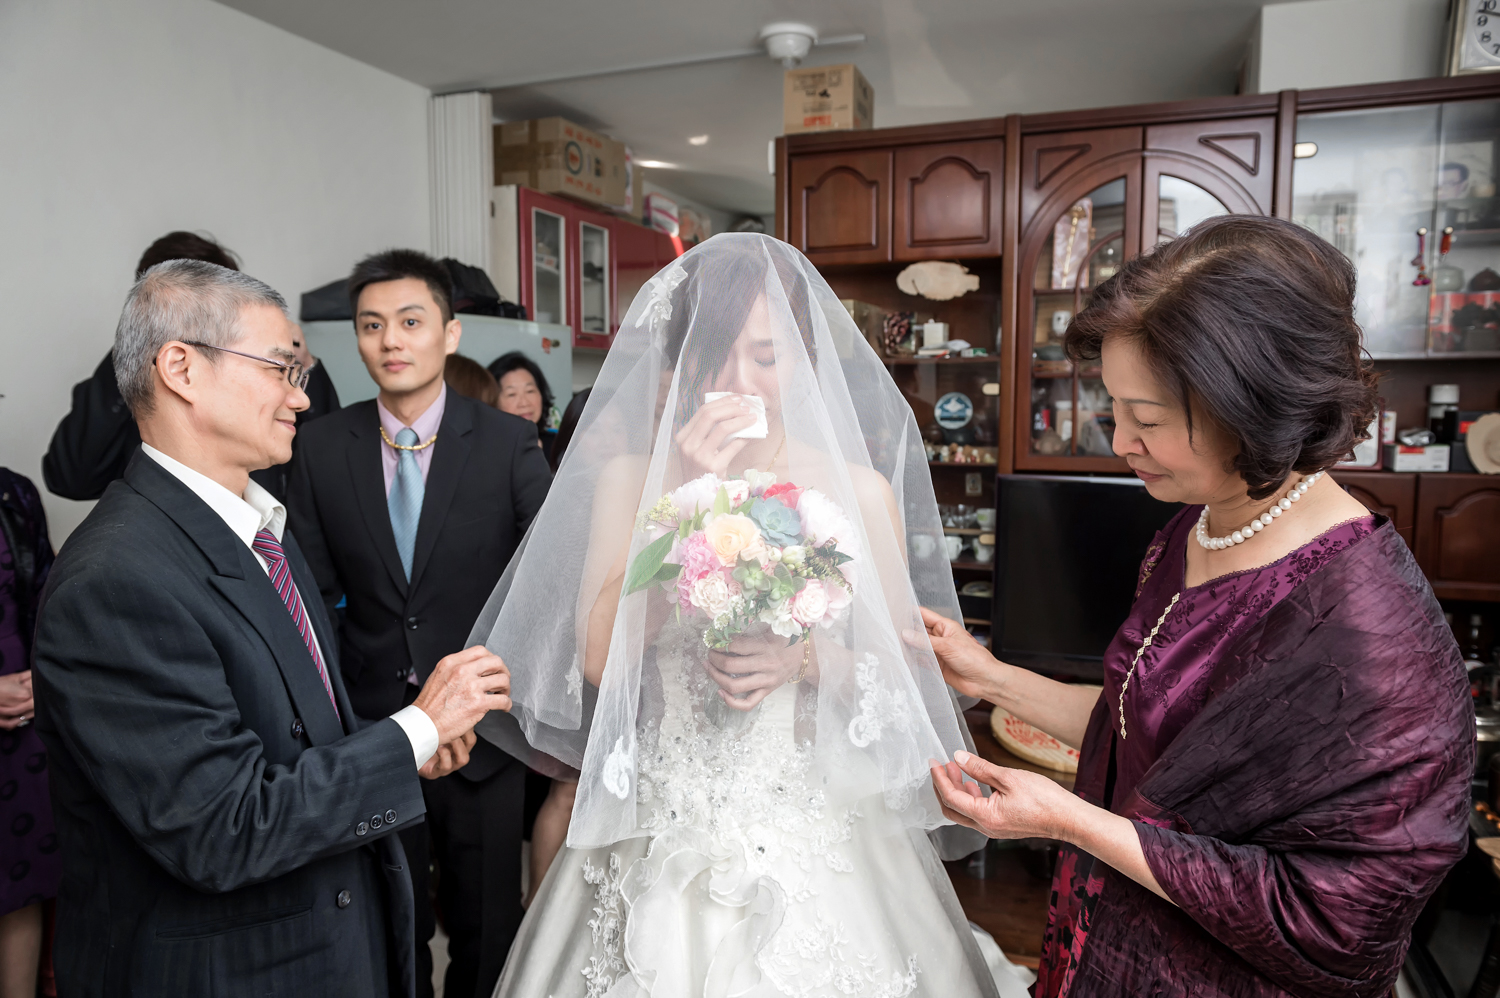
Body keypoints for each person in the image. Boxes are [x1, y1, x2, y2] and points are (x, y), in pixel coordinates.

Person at [921, 215, 1472, 997]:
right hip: (1106, 939)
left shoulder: (1365, 632)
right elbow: (1146, 733)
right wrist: (985, 674)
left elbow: (1340, 925)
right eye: (1115, 409)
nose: (1120, 442)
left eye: (1145, 419)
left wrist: (1068, 820)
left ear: (1253, 407)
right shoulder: (1201, 523)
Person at [471, 233, 1034, 998]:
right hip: (664, 807)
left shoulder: (858, 491)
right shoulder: (631, 480)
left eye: (766, 357)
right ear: (680, 362)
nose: (739, 382)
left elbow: (898, 676)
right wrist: (689, 500)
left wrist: (804, 659)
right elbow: (600, 658)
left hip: (809, 805)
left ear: (803, 360)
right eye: (715, 355)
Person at [31, 260, 511, 998]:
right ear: (182, 369)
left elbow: (294, 734)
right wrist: (415, 728)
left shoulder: (260, 532)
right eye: (279, 368)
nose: (302, 396)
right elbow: (223, 827)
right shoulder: (115, 580)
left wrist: (402, 750)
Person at [286, 250, 551, 998]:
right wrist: (347, 720)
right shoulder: (320, 447)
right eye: (372, 325)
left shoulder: (503, 442)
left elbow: (548, 579)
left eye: (410, 321)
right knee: (389, 927)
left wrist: (486, 690)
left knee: (486, 929)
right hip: (374, 729)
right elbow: (312, 597)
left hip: (483, 732)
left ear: (450, 332)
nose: (390, 341)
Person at [42, 231, 339, 502]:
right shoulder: (123, 385)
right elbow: (70, 480)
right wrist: (134, 347)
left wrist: (296, 363)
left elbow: (331, 465)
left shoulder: (264, 378)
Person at [0, 468, 57, 998]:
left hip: (22, 731)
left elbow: (47, 599)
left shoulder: (12, 493)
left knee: (22, 884)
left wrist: (45, 675)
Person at [488, 352, 555, 456]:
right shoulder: (487, 450)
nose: (524, 403)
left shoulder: (558, 445)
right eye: (511, 394)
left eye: (530, 391)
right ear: (493, 402)